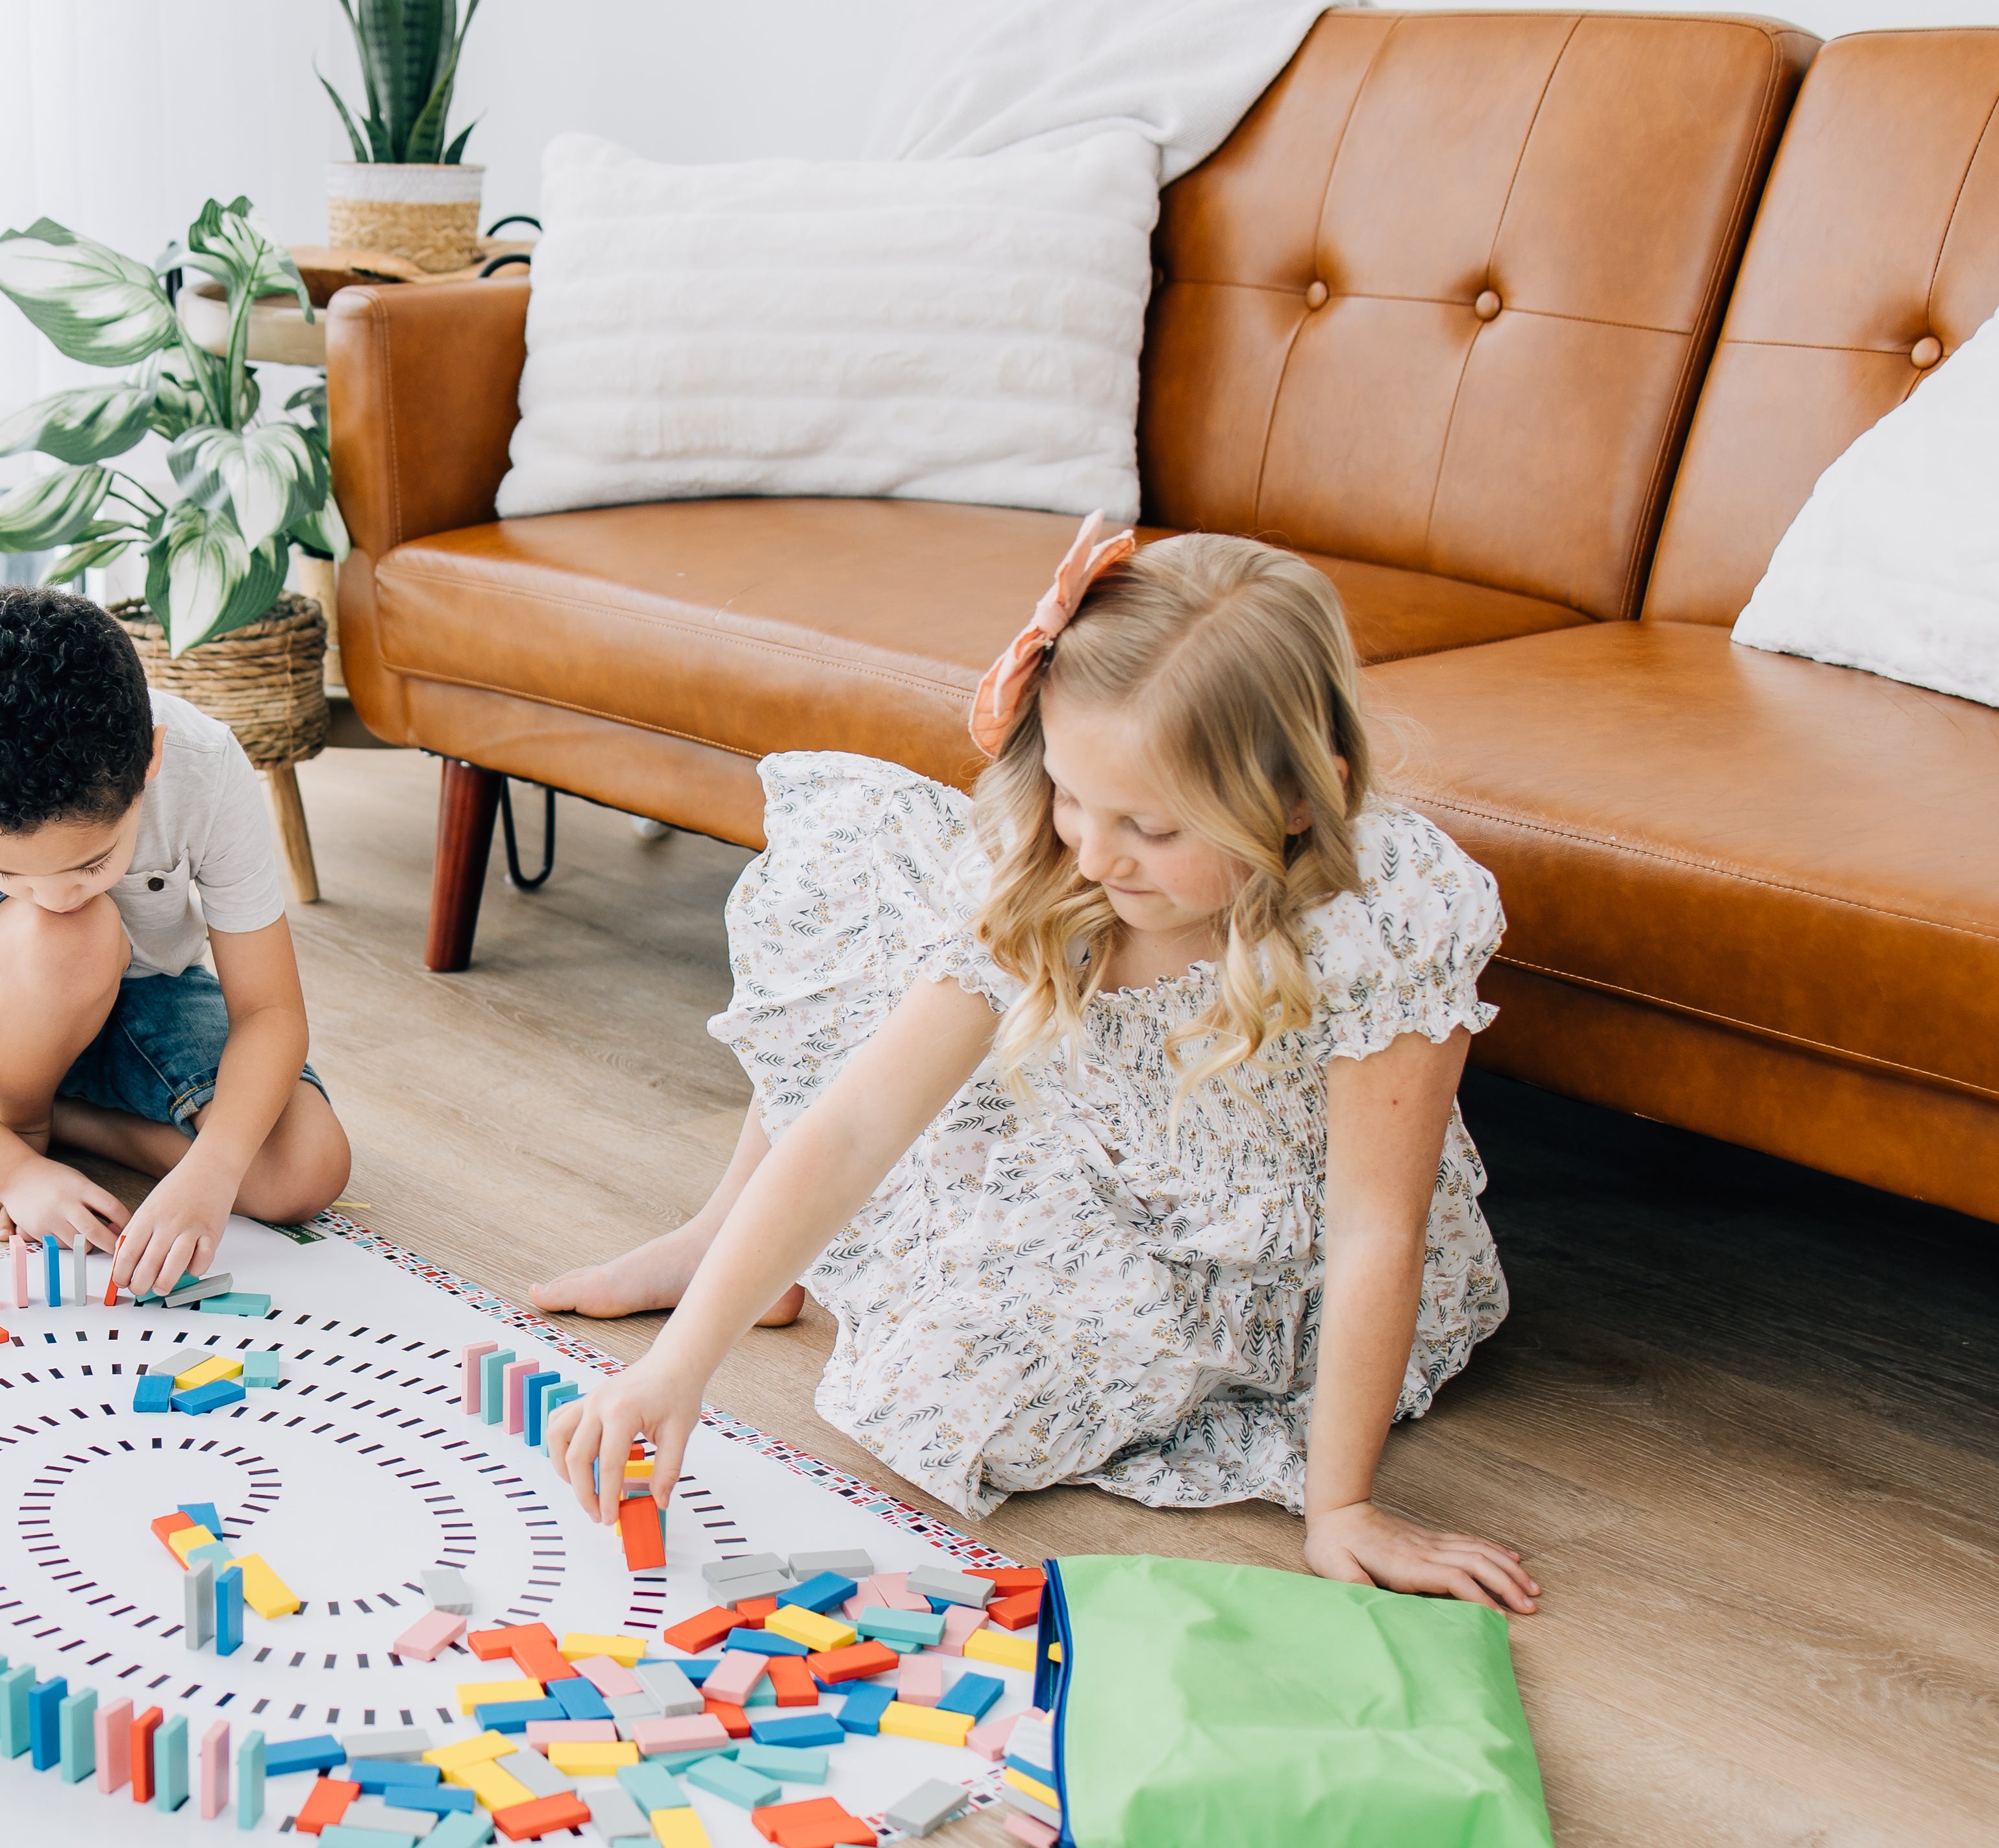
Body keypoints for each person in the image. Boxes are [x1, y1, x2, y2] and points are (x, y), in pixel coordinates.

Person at [540, 523, 1538, 1611]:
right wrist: (675, 1370)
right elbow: (857, 1124)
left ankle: (769, 1257)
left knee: (950, 1390)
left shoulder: (1383, 915)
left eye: (1149, 828)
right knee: (876, 973)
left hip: (1245, 1236)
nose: (1097, 856)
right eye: (1071, 794)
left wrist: (1338, 1506)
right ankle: (723, 1246)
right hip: (1086, 1122)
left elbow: (1372, 1233)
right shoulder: (1054, 867)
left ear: (1300, 800)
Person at [0, 585, 349, 1298]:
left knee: (308, 1169)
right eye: (3, 872)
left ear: (151, 762)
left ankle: (68, 1117)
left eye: (91, 864)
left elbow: (269, 1010)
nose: (52, 892)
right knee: (74, 932)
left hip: (143, 994)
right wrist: (10, 1167)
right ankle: (19, 1116)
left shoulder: (204, 763)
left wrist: (210, 1172)